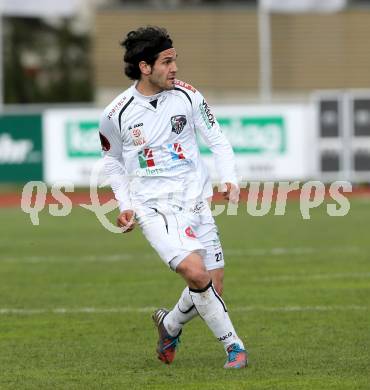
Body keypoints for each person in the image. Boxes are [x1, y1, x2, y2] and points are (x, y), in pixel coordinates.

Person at [99, 26, 247, 369]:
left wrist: (229, 179)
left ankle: (170, 324)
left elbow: (218, 140)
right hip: (153, 209)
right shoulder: (115, 114)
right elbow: (112, 161)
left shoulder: (189, 95)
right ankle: (234, 347)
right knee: (197, 275)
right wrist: (126, 206)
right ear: (144, 67)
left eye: (175, 60)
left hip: (197, 204)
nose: (175, 68)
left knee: (214, 286)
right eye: (166, 62)